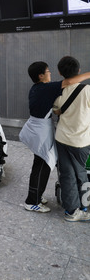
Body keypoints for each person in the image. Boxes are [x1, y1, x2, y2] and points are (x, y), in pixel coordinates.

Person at [20, 61, 90, 213]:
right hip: (40, 132)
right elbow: (70, 81)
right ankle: (32, 201)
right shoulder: (47, 88)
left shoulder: (37, 88)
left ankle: (36, 195)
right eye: (48, 71)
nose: (50, 73)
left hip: (36, 129)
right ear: (41, 75)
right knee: (42, 167)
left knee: (39, 165)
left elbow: (56, 110)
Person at [53, 56, 90, 222]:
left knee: (67, 174)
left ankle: (71, 211)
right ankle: (84, 207)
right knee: (81, 173)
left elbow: (57, 111)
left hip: (61, 139)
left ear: (60, 72)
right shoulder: (87, 90)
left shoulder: (58, 92)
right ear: (79, 71)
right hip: (81, 141)